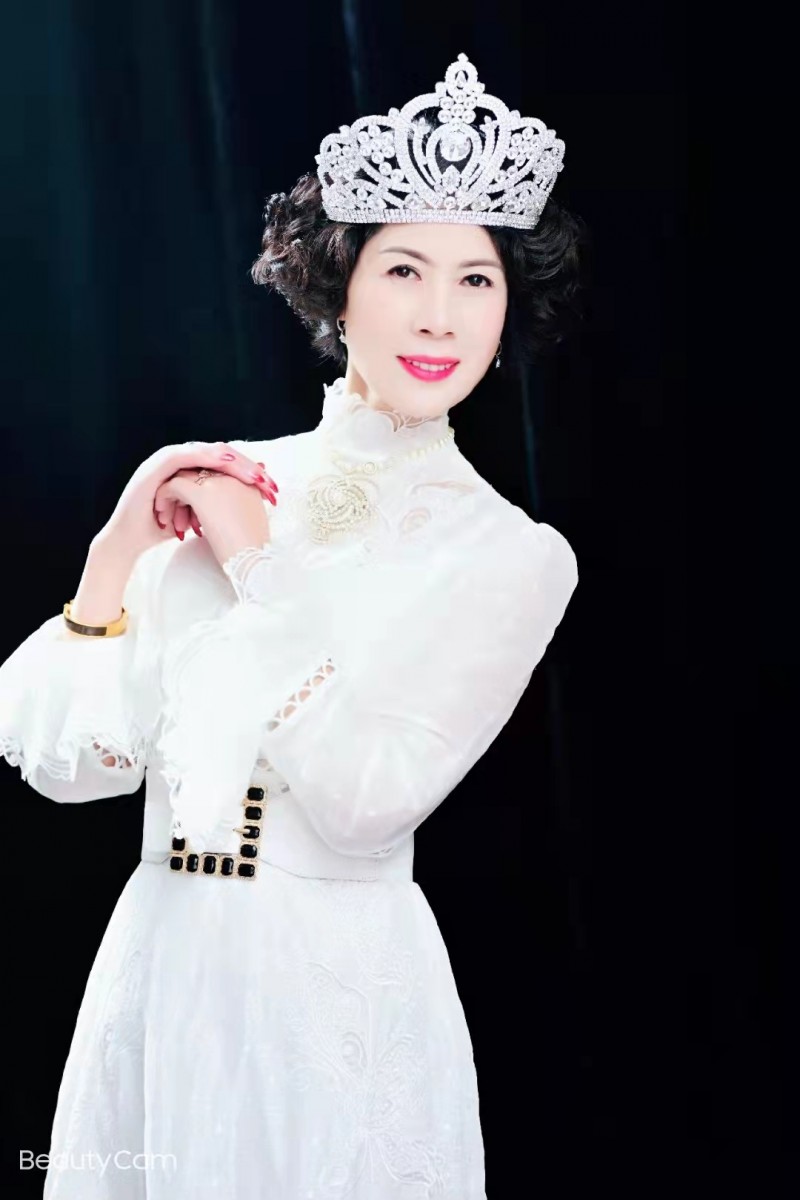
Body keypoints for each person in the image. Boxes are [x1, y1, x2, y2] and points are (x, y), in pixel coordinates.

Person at [0, 52, 585, 1200]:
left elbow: (370, 804)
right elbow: (76, 774)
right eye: (403, 269)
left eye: (475, 280)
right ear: (338, 287)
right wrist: (115, 552)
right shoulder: (225, 479)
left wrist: (254, 565)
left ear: (508, 308)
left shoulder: (510, 553)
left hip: (338, 994)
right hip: (164, 968)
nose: (438, 314)